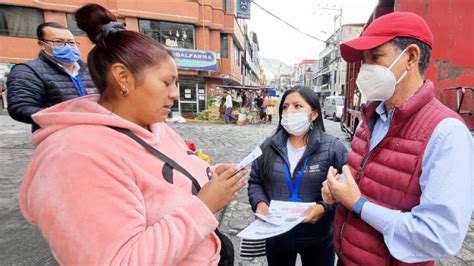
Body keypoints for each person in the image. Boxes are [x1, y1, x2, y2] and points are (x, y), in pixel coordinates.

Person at [18, 4, 246, 265]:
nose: (174, 93)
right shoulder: (75, 157)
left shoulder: (154, 125)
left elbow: (166, 181)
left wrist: (209, 177)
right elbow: (119, 259)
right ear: (123, 77)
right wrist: (204, 206)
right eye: (166, 82)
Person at [322, 12, 474, 265]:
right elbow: (371, 181)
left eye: (375, 57)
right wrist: (337, 191)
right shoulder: (370, 117)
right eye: (363, 60)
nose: (364, 69)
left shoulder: (446, 133)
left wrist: (358, 204)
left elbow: (439, 237)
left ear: (411, 57)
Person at [248, 86, 348, 266]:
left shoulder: (333, 148)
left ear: (314, 114)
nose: (289, 112)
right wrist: (260, 203)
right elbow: (255, 182)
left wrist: (324, 208)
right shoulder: (268, 146)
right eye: (285, 107)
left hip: (318, 238)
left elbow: (347, 191)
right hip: (277, 237)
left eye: (297, 106)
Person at [7, 22, 96, 131]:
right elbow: (20, 108)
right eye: (58, 42)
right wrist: (67, 117)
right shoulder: (28, 71)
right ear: (42, 44)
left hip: (94, 133)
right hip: (57, 136)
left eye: (71, 42)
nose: (67, 46)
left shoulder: (90, 70)